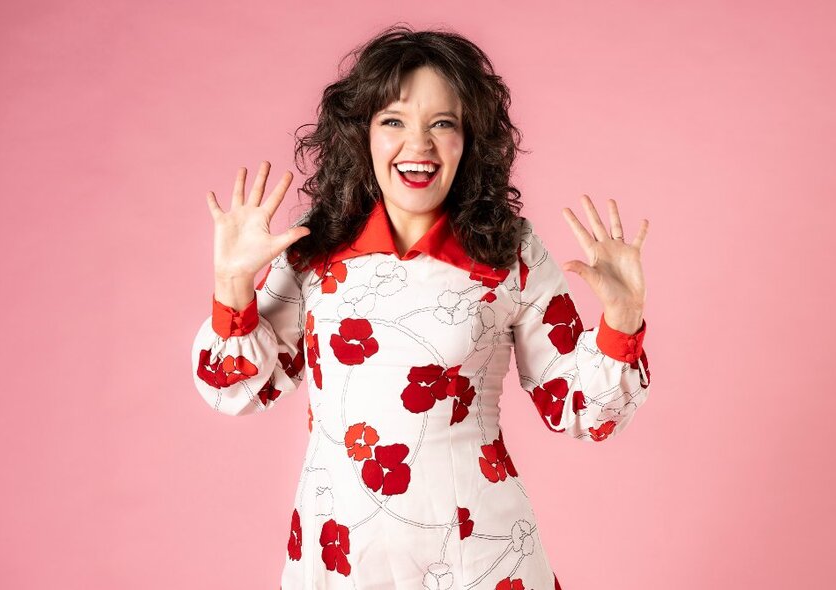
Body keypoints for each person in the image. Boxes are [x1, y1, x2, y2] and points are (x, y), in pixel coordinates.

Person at [192, 24, 651, 590]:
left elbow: (577, 407)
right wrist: (232, 283)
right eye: (393, 121)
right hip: (339, 555)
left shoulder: (510, 250)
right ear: (361, 135)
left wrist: (622, 320)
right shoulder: (314, 250)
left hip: (479, 555)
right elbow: (241, 389)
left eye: (443, 123)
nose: (420, 145)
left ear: (470, 140)